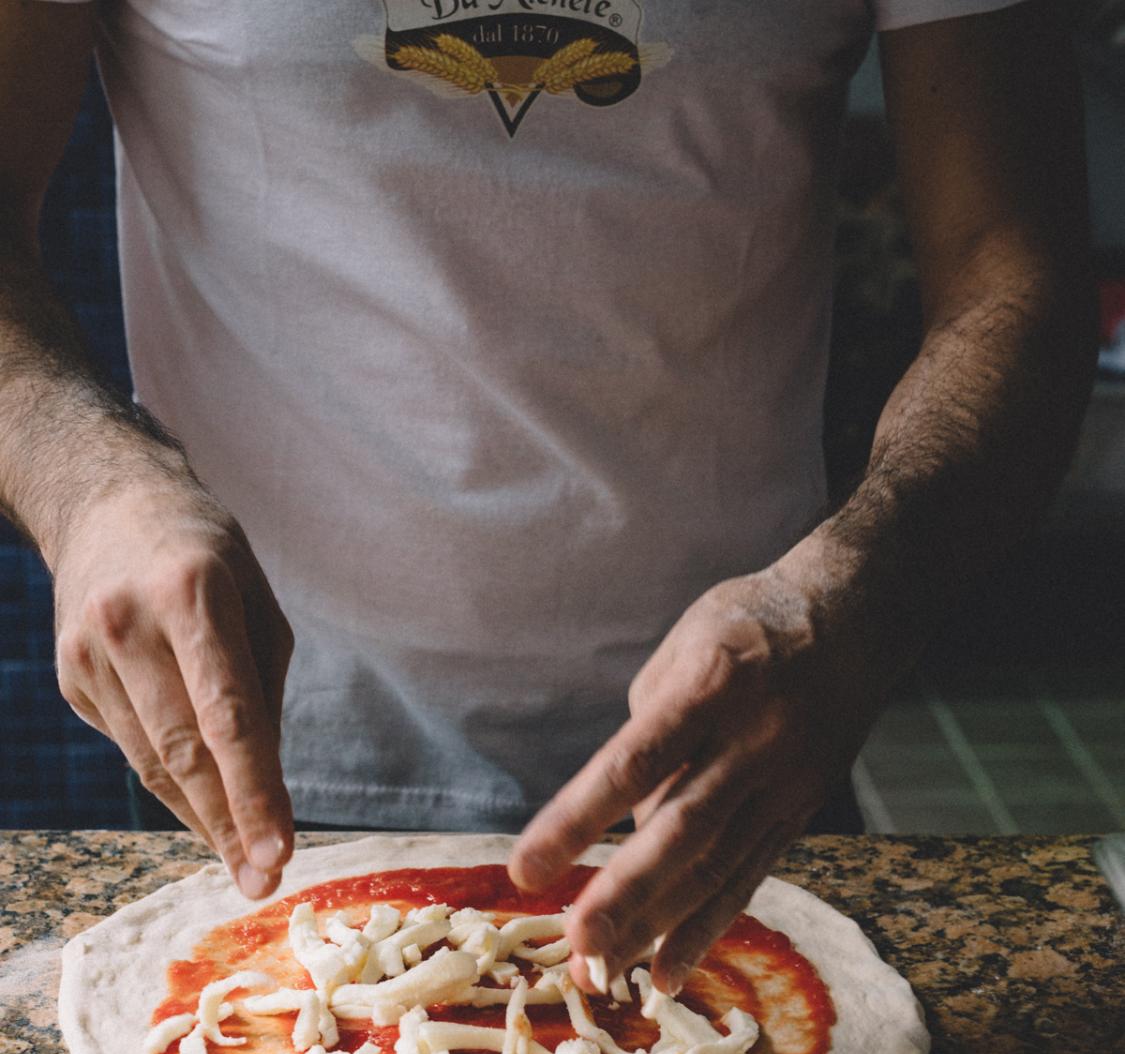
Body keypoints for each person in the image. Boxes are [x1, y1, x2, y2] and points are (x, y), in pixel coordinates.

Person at [0, 0, 1094, 995]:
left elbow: (1017, 274)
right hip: (256, 762)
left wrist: (858, 590)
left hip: (740, 761)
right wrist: (91, 489)